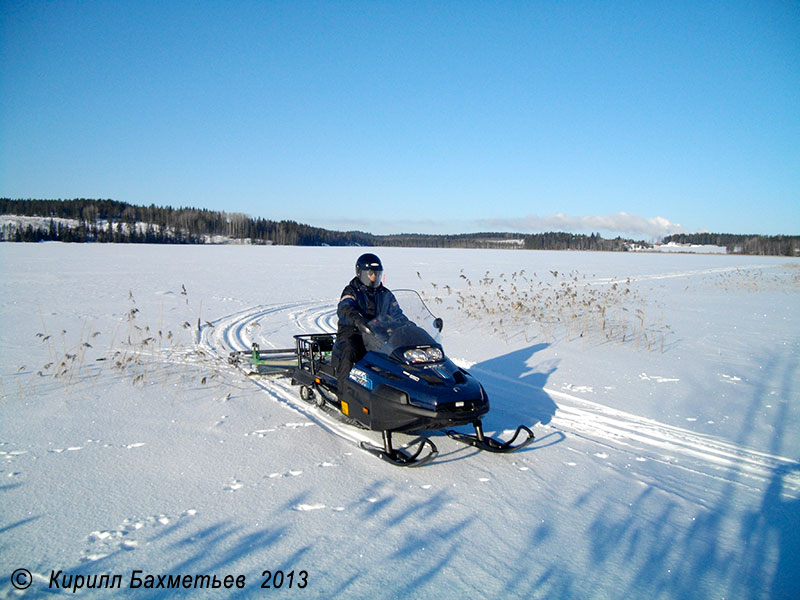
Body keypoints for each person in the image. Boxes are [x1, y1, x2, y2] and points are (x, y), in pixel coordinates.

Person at [332, 253, 405, 393]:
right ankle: (344, 393)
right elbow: (345, 308)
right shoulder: (352, 290)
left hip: (378, 334)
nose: (374, 277)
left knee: (397, 356)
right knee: (350, 351)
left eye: (377, 273)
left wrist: (411, 328)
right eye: (370, 273)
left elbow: (398, 315)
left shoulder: (385, 294)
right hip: (354, 332)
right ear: (360, 273)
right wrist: (358, 321)